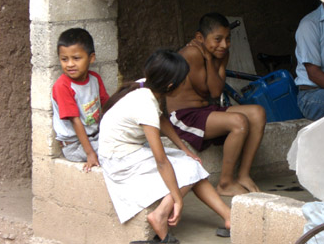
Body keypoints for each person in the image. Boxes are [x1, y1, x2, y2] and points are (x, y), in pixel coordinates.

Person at [98, 50, 231, 243]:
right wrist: (177, 200)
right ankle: (160, 215)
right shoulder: (145, 104)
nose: (185, 84)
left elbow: (161, 119)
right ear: (170, 86)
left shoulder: (148, 85)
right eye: (183, 81)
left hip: (126, 151)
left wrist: (184, 149)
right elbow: (161, 161)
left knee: (190, 164)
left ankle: (228, 217)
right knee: (189, 168)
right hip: (119, 161)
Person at [166, 12, 266, 196]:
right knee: (239, 122)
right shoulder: (192, 53)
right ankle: (225, 183)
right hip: (184, 116)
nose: (224, 45)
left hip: (205, 111)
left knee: (257, 113)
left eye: (228, 39)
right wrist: (209, 60)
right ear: (199, 38)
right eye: (218, 39)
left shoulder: (220, 54)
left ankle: (243, 175)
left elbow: (217, 90)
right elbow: (212, 90)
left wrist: (212, 59)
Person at [51, 28, 109, 172]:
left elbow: (107, 105)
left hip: (96, 137)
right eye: (64, 59)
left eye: (76, 58)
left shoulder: (95, 79)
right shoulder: (63, 86)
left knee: (132, 140)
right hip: (75, 145)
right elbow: (75, 121)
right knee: (120, 149)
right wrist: (90, 154)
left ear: (91, 58)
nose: (70, 64)